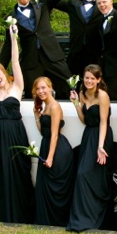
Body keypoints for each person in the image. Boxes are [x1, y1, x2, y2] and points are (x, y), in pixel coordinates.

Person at [0, 0, 83, 100]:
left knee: (71, 85)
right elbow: (7, 46)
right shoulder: (10, 18)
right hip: (31, 62)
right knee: (33, 95)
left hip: (52, 55)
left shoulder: (42, 5)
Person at [0, 24, 34, 223]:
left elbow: (15, 60)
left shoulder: (17, 87)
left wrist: (13, 38)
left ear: (4, 73)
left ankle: (19, 216)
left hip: (14, 135)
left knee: (16, 174)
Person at [53, 0, 117, 81]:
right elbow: (54, 1)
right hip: (76, 51)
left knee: (94, 81)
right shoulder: (73, 3)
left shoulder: (103, 6)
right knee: (73, 83)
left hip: (95, 52)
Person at [67, 64, 113, 232]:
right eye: (86, 77)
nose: (88, 81)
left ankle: (97, 219)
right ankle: (83, 219)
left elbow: (103, 122)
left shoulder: (103, 95)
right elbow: (84, 120)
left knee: (93, 176)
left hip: (102, 136)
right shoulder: (82, 93)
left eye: (92, 78)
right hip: (88, 135)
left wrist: (100, 146)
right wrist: (76, 104)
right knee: (83, 175)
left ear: (98, 80)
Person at [32, 77, 75, 226]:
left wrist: (50, 158)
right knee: (46, 188)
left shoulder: (55, 106)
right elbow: (43, 132)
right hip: (47, 145)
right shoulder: (45, 106)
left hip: (57, 150)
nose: (41, 91)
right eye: (38, 89)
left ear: (50, 87)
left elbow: (55, 134)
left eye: (43, 88)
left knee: (56, 189)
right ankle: (47, 222)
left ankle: (59, 222)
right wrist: (37, 116)